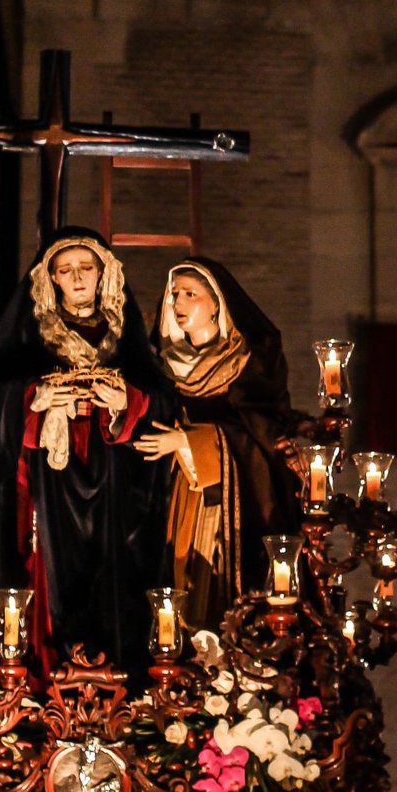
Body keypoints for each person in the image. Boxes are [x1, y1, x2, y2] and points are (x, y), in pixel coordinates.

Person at [0, 227, 172, 679]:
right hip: (47, 483)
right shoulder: (30, 336)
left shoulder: (124, 337)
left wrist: (126, 400)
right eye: (65, 270)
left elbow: (161, 400)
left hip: (112, 484)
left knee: (112, 572)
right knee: (46, 568)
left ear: (103, 274)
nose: (76, 278)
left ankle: (107, 675)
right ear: (49, 278)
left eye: (85, 268)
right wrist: (34, 398)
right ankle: (43, 672)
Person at [134, 259, 300, 631]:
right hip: (176, 493)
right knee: (176, 574)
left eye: (192, 294)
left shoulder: (247, 363)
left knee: (210, 581)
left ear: (217, 305)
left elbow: (263, 435)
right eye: (175, 294)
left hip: (226, 498)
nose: (178, 301)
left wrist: (189, 441)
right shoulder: (161, 367)